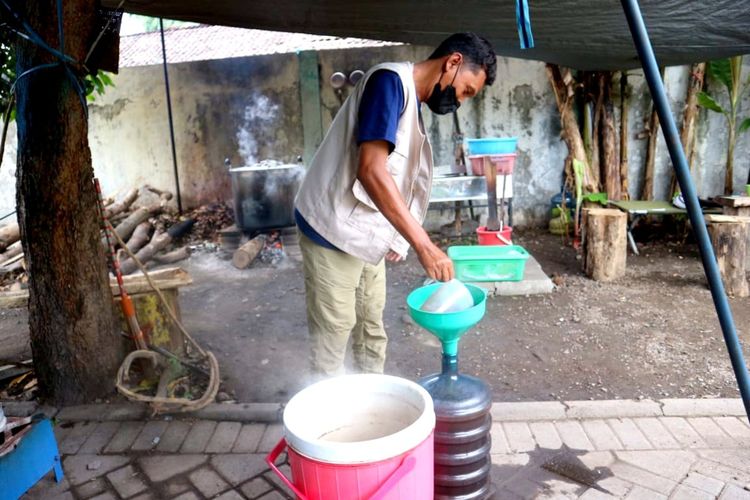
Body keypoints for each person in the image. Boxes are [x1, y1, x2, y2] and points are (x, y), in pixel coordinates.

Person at [295, 32, 497, 377]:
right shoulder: (388, 83)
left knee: (371, 328)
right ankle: (327, 420)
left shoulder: (411, 107)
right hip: (332, 229)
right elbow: (371, 170)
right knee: (336, 330)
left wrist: (396, 237)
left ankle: (372, 411)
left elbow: (396, 179)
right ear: (453, 62)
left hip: (364, 232)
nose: (460, 101)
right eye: (466, 91)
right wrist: (424, 245)